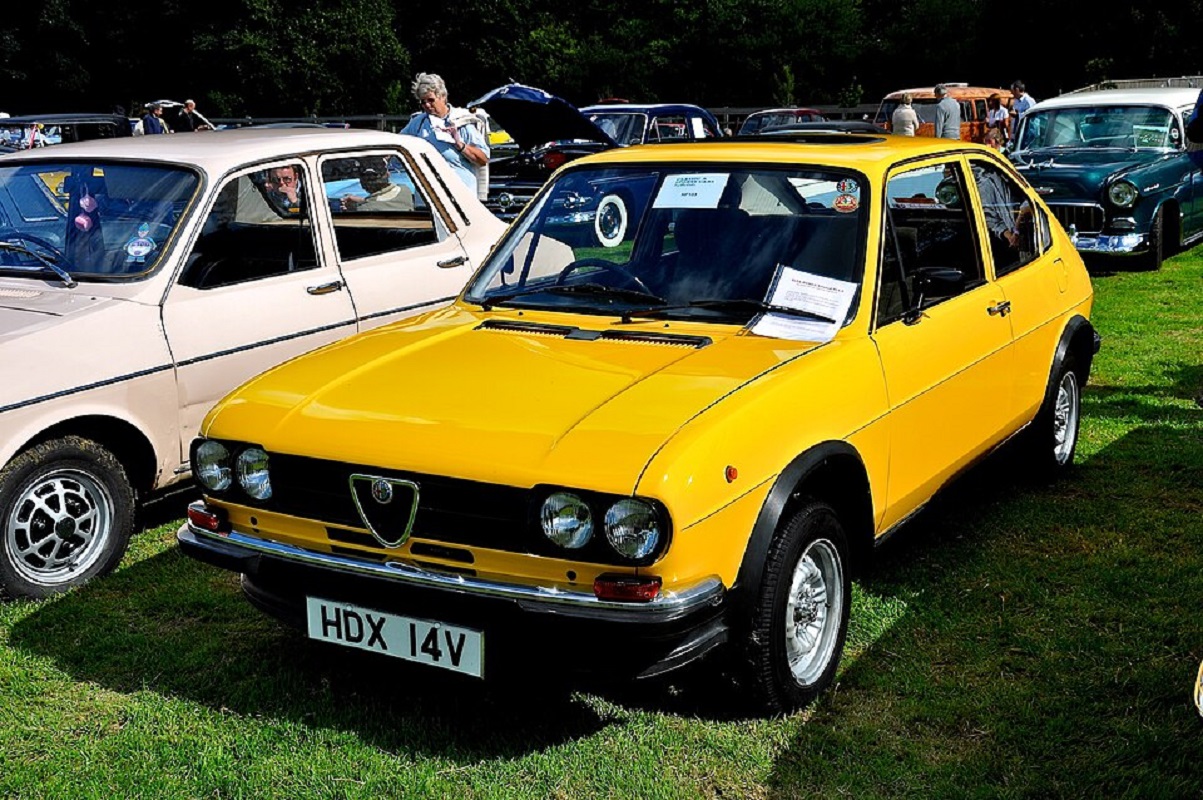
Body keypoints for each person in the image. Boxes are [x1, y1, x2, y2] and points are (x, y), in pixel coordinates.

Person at [401, 72, 489, 197]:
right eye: (423, 102)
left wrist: (460, 145)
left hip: (460, 197)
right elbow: (397, 145)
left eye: (431, 100)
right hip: (427, 197)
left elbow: (483, 159)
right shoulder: (418, 123)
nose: (427, 105)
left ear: (443, 97)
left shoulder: (462, 121)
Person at [340, 159, 414, 212]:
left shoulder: (365, 210)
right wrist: (363, 201)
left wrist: (352, 210)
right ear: (388, 174)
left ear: (362, 183)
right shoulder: (405, 190)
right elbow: (385, 202)